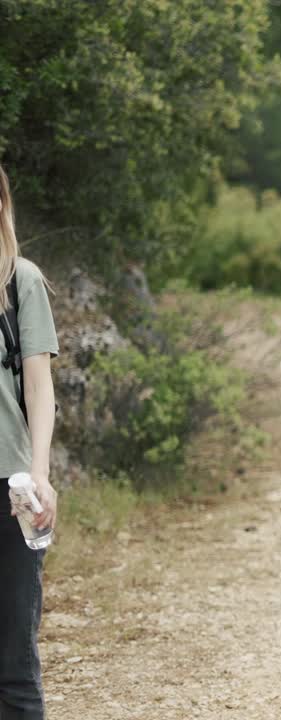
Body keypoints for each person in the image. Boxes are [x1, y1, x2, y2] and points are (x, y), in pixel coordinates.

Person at [0, 163, 60, 720]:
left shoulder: (21, 280)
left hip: (8, 486)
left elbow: (39, 386)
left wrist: (39, 473)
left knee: (14, 658)